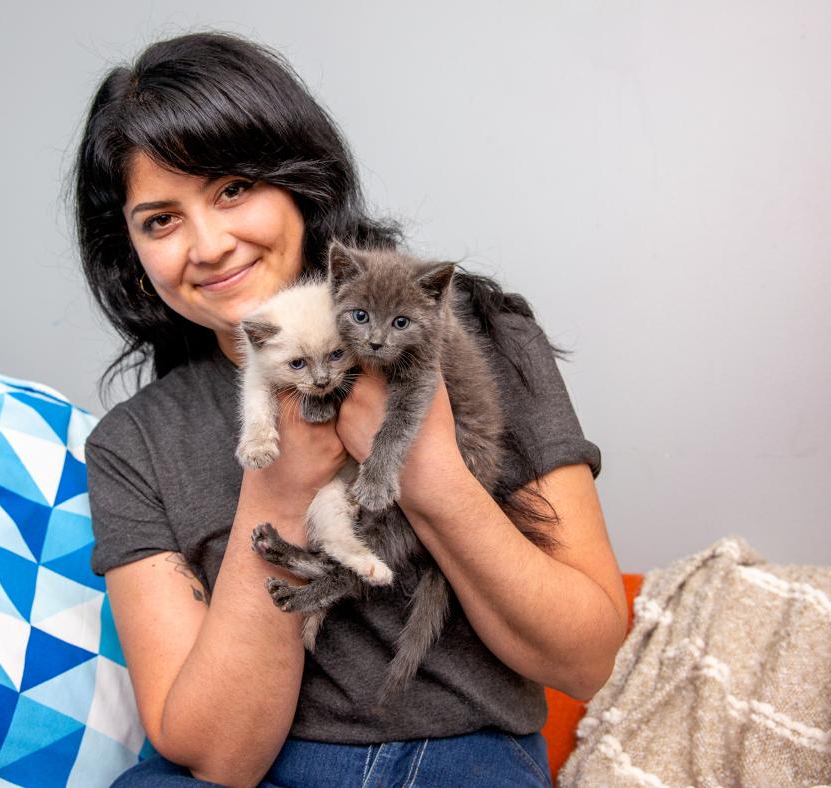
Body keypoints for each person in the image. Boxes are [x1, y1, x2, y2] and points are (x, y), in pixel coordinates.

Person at [76, 31, 627, 788]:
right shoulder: (132, 445)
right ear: (133, 259)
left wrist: (426, 469)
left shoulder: (478, 338)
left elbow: (590, 659)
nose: (208, 244)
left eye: (233, 189)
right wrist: (280, 489)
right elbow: (216, 757)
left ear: (299, 185)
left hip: (460, 757)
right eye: (160, 220)